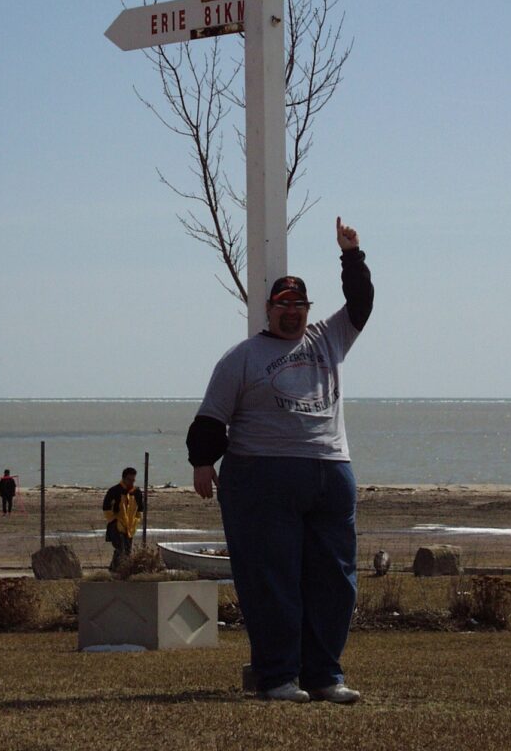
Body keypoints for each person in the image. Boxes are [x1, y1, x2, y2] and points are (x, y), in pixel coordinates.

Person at [187, 217, 374, 704]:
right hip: (262, 475)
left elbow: (361, 304)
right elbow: (211, 418)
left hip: (330, 471)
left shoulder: (328, 339)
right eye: (283, 305)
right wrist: (203, 463)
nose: (292, 313)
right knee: (272, 580)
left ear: (308, 311)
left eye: (300, 305)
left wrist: (351, 254)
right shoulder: (242, 358)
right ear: (267, 309)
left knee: (335, 580)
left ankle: (325, 676)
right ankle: (278, 678)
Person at [102, 467, 144, 571]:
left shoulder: (137, 492)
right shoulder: (114, 491)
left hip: (130, 528)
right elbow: (106, 508)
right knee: (120, 549)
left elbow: (140, 509)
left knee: (127, 551)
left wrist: (137, 520)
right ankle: (116, 570)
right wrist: (114, 521)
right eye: (129, 480)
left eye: (133, 480)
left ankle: (117, 570)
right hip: (116, 526)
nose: (131, 482)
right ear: (124, 478)